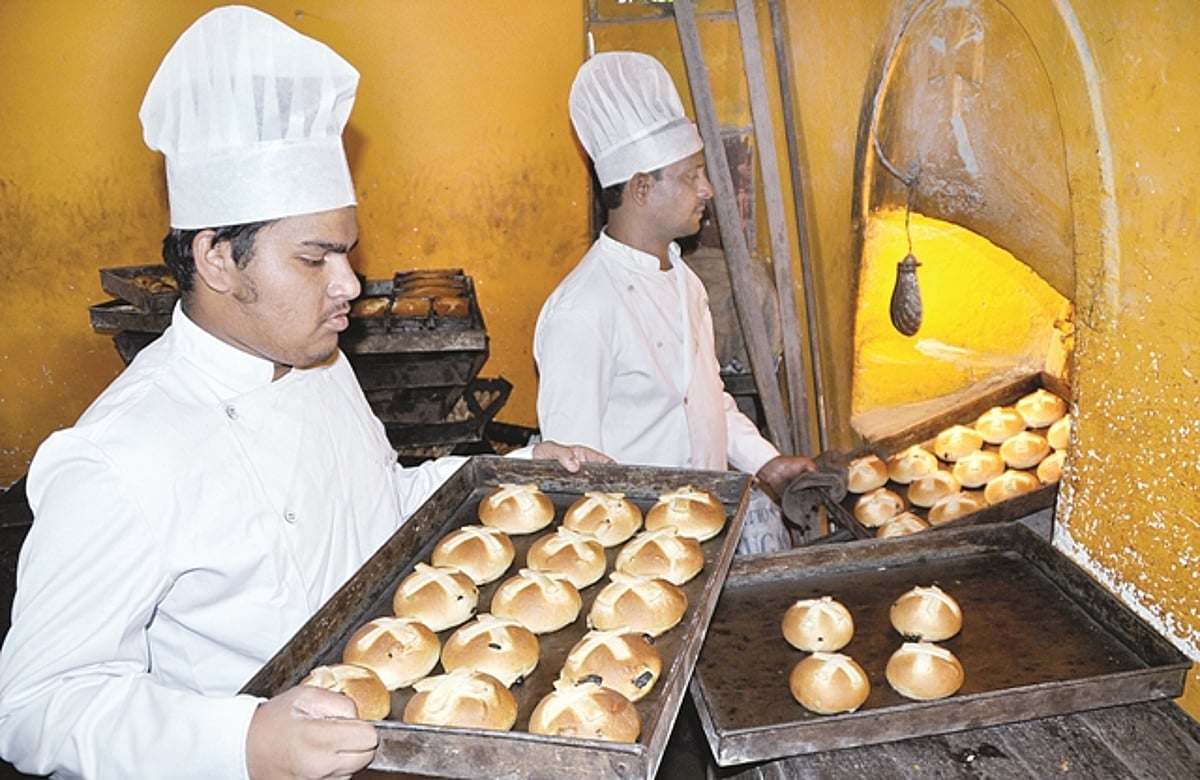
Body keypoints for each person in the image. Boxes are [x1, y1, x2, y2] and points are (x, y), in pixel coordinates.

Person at [0, 7, 604, 779]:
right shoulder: (119, 456)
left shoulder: (316, 361)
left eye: (347, 253)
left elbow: (378, 500)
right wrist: (243, 740)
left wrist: (513, 467)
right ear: (218, 258)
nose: (349, 284)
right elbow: (36, 705)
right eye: (315, 258)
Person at [534, 51, 815, 554]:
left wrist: (763, 461)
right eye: (691, 176)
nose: (706, 189)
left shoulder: (686, 282)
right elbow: (575, 479)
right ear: (643, 187)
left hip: (706, 528)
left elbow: (704, 399)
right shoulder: (581, 312)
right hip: (641, 553)